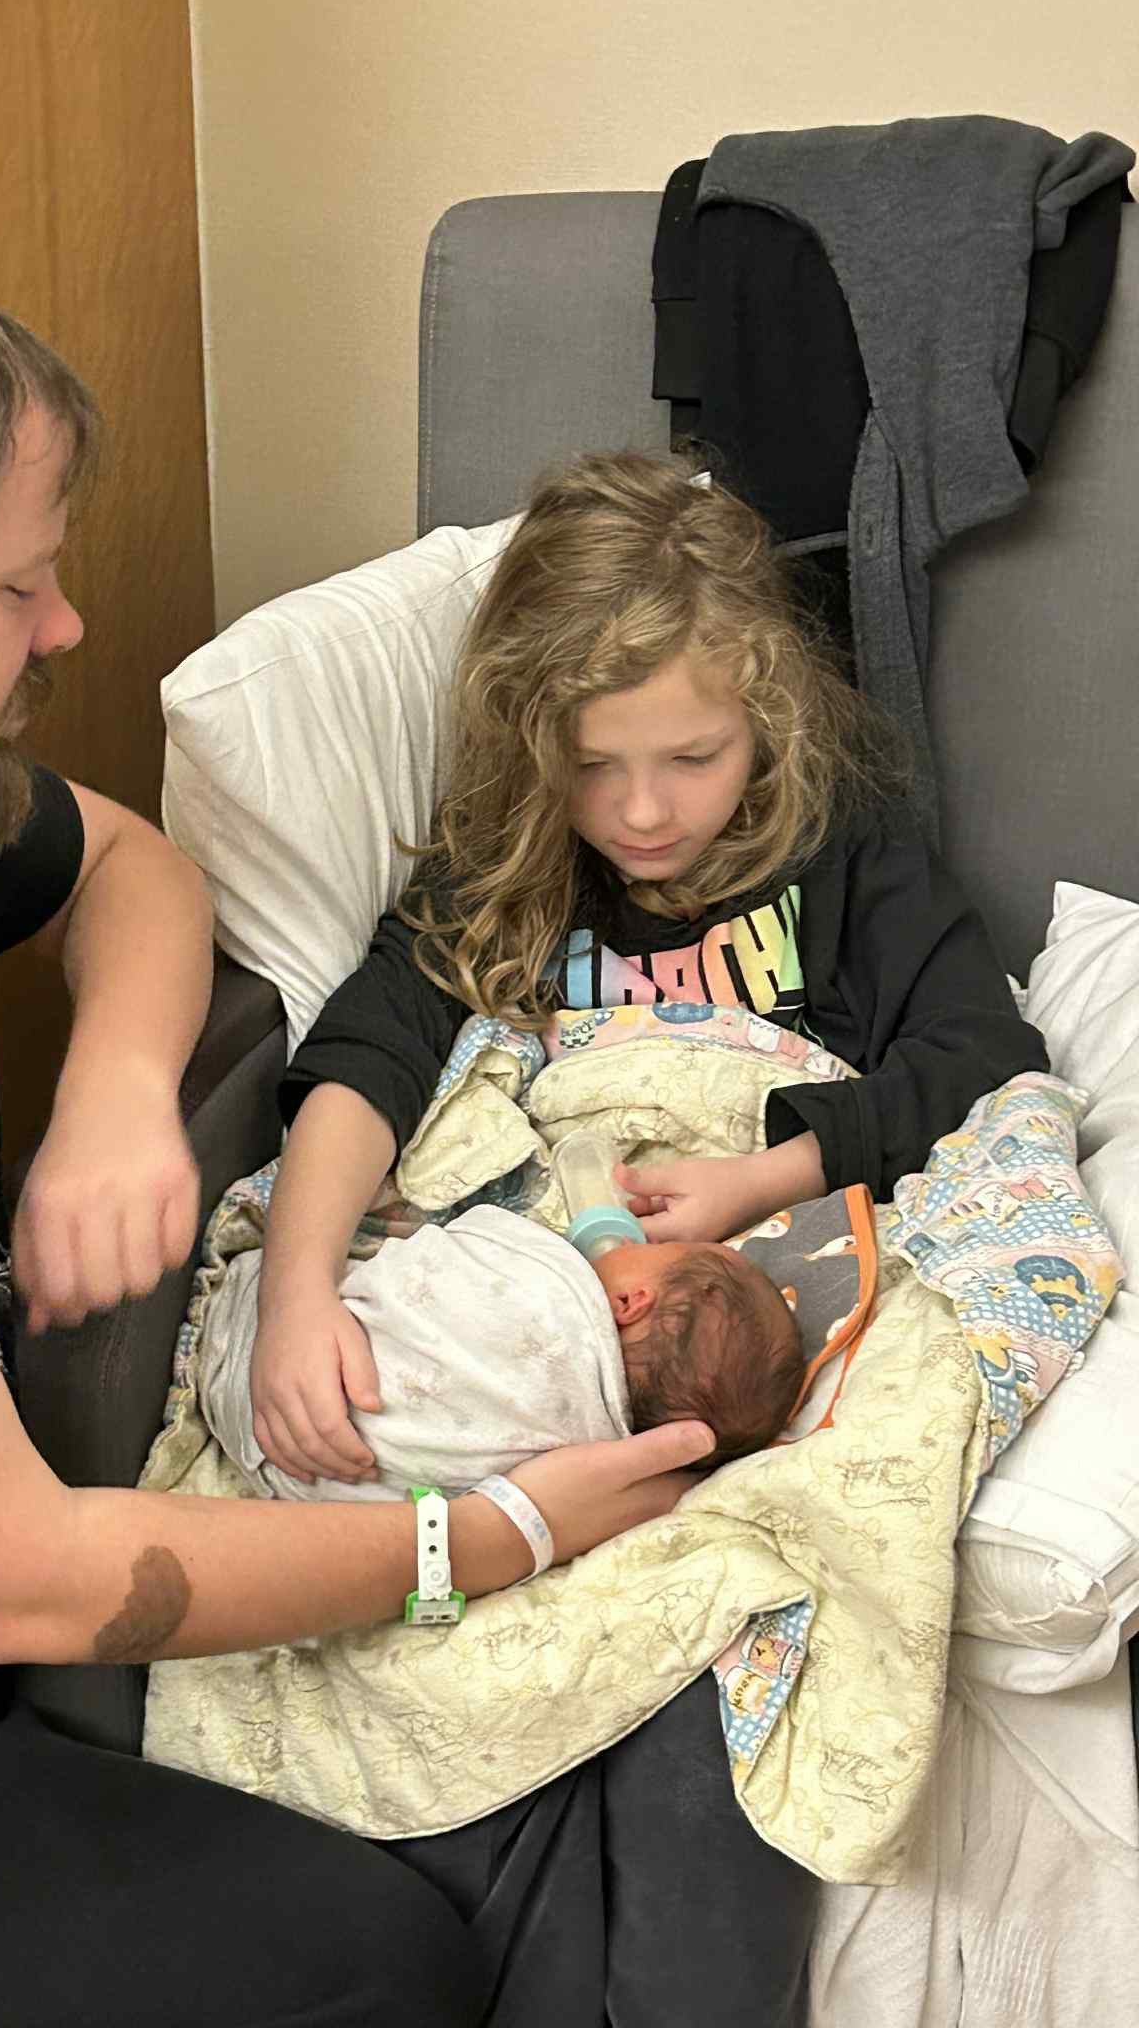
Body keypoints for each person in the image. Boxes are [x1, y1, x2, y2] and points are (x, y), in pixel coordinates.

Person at [0, 241, 717, 2028]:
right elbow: (30, 1582)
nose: (63, 629)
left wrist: (118, 1092)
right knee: (382, 1965)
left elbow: (133, 864)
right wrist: (498, 1528)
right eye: (17, 584)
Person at [250, 448, 1050, 2021]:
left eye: (690, 758)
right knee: (456, 1706)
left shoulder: (842, 862)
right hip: (538, 1357)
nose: (639, 812)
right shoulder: (515, 873)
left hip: (735, 1359)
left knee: (707, 1709)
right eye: (592, 766)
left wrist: (765, 1179)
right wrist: (295, 1292)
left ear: (772, 715)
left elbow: (980, 1058)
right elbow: (367, 1060)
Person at [202, 1205, 803, 1504]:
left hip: (268, 1344)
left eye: (660, 1248)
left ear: (629, 1301)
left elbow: (466, 1236)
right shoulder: (595, 1458)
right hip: (280, 1465)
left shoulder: (553, 1278)